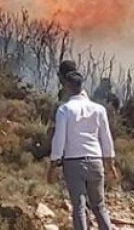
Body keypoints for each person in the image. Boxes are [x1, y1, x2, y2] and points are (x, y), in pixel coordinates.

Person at [48, 70, 117, 230]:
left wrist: (53, 164)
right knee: (99, 206)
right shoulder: (99, 109)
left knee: (78, 206)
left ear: (66, 86)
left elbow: (59, 138)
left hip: (73, 162)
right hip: (95, 160)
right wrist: (110, 163)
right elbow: (106, 138)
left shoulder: (65, 110)